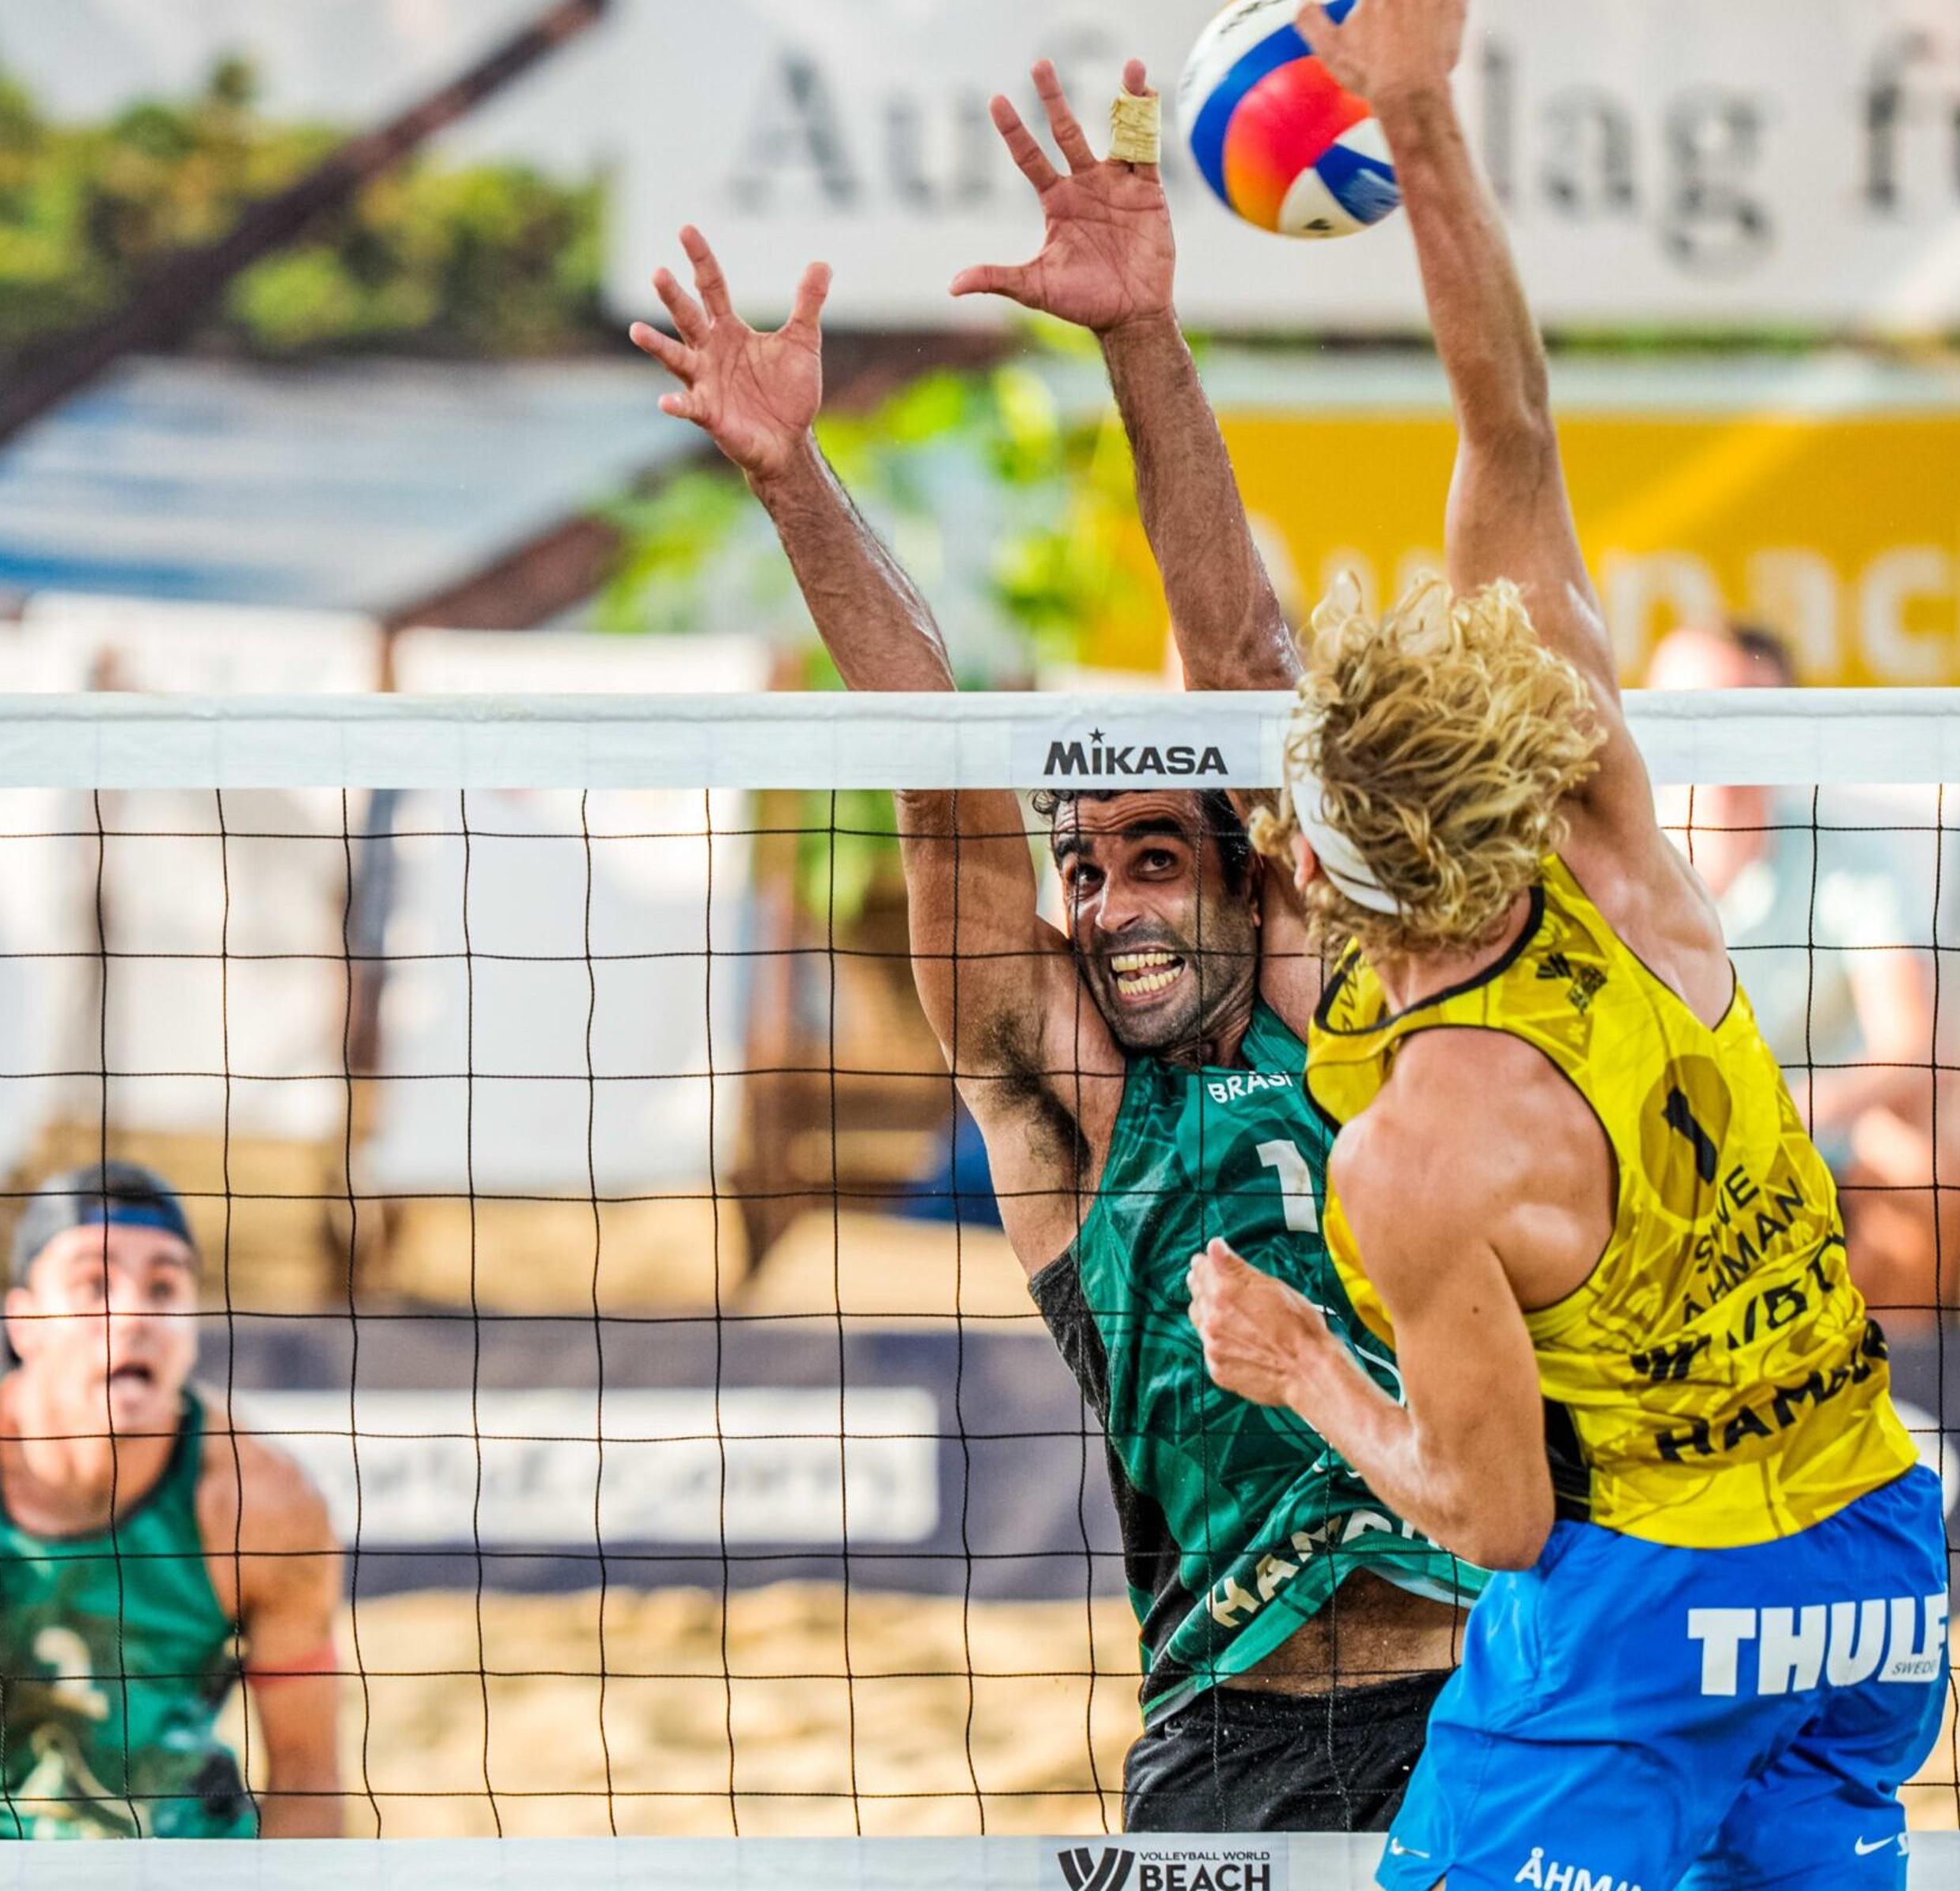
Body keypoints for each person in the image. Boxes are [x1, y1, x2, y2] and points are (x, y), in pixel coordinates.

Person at [627, 58, 1482, 1833]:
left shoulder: (1343, 1022)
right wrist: (791, 476)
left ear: (1257, 883)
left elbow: (1245, 679)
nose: (1103, 904)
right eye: (1082, 874)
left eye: (1151, 858)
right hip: (1229, 1736)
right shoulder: (1078, 1113)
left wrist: (1142, 341)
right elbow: (942, 785)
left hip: (1484, 1708)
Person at [1182, 3, 1947, 1885]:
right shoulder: (1619, 848)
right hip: (1869, 1567)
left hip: (1648, 1615)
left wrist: (1297, 1365)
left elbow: (1497, 1511)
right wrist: (1420, 119)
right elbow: (1506, 423)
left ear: (1335, 873)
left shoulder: (1415, 1149)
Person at [0, 1161, 345, 1839]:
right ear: (25, 1325)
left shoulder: (264, 1503)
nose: (135, 1314)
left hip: (178, 1840)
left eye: (164, 1287)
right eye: (93, 1284)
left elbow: (310, 1786)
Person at [1647, 619, 1960, 1313]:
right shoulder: (1607, 873)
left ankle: (1898, 1401)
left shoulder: (1852, 859)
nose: (1721, 746)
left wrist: (1783, 1113)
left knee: (1921, 1158)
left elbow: (1912, 1045)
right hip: (1654, 1148)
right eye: (1696, 713)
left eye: (1747, 718)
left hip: (1816, 1145)